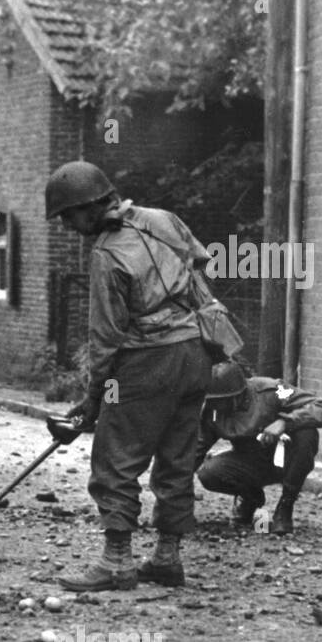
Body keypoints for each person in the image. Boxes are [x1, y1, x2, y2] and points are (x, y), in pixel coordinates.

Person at [45, 160, 213, 591]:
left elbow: (105, 337)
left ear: (88, 208)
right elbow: (201, 260)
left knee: (115, 457)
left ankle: (117, 561)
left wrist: (94, 398)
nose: (67, 226)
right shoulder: (163, 219)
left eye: (67, 216)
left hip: (145, 364)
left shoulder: (105, 253)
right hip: (195, 354)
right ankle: (166, 557)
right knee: (178, 456)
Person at [194, 360, 322, 539]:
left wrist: (286, 422)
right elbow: (195, 452)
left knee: (307, 433)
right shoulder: (212, 412)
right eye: (213, 401)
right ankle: (251, 498)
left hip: (286, 458)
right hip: (249, 462)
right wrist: (174, 499)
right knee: (208, 473)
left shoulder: (271, 391)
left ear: (238, 395)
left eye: (222, 401)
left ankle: (285, 507)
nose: (216, 406)